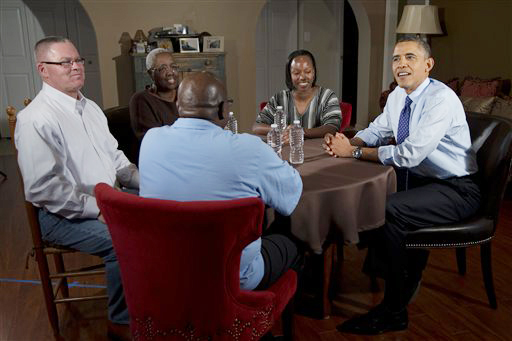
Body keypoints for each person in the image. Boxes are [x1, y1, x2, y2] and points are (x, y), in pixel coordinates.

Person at [323, 36, 481, 334]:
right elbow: (377, 130)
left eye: (410, 57)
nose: (401, 64)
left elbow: (408, 155)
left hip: (457, 188)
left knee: (391, 209)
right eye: (396, 58)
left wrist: (354, 154)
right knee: (371, 195)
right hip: (422, 181)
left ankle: (394, 311)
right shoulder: (398, 96)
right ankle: (392, 268)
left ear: (428, 65)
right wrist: (349, 141)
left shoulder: (441, 100)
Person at [15, 36, 138, 340]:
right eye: (65, 62)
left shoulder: (91, 107)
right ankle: (120, 323)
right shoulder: (36, 119)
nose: (75, 67)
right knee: (122, 240)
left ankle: (149, 297)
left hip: (109, 197)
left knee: (166, 210)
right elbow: (45, 190)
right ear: (43, 69)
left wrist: (146, 180)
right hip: (61, 215)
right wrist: (101, 209)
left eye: (78, 60)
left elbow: (117, 159)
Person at [139, 72, 303, 290]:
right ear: (223, 110)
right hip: (233, 277)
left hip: (169, 268)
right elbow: (290, 194)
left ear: (178, 104)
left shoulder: (150, 140)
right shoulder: (249, 149)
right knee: (292, 243)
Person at [253, 49, 342, 143]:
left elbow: (332, 128)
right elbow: (256, 127)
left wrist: (300, 132)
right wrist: (282, 131)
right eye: (296, 73)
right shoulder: (279, 98)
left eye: (307, 71)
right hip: (286, 152)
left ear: (314, 72)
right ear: (289, 75)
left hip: (319, 152)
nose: (302, 77)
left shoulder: (327, 96)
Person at [129, 48, 180, 142]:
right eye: (162, 68)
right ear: (151, 74)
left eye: (173, 66)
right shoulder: (141, 100)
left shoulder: (186, 95)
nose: (170, 72)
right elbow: (152, 140)